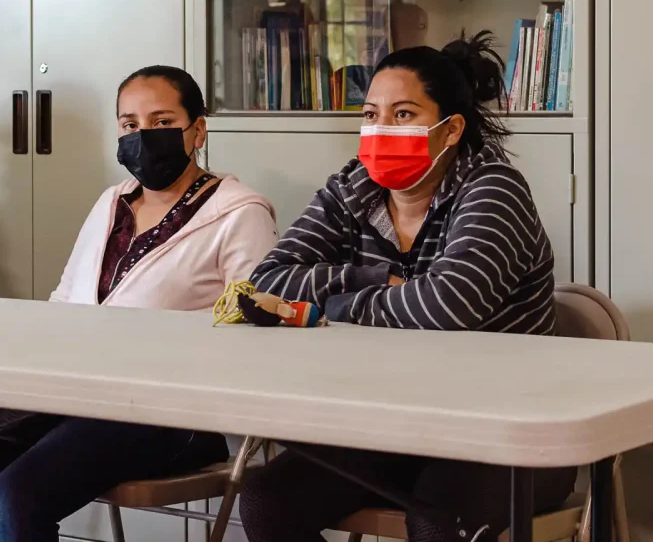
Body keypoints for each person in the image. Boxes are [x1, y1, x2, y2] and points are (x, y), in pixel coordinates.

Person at [0, 65, 278, 542]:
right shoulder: (112, 202)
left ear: (197, 129)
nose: (143, 136)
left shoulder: (240, 212)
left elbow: (249, 332)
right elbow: (67, 300)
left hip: (166, 410)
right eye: (129, 125)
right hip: (70, 393)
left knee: (16, 498)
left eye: (162, 122)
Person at [238, 33, 576, 542]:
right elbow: (265, 282)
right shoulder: (353, 188)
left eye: (402, 115)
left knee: (437, 522)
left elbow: (446, 305)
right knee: (268, 499)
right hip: (394, 426)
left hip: (507, 431)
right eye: (371, 114)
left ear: (451, 130)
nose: (380, 129)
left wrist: (336, 305)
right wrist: (373, 279)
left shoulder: (492, 188)